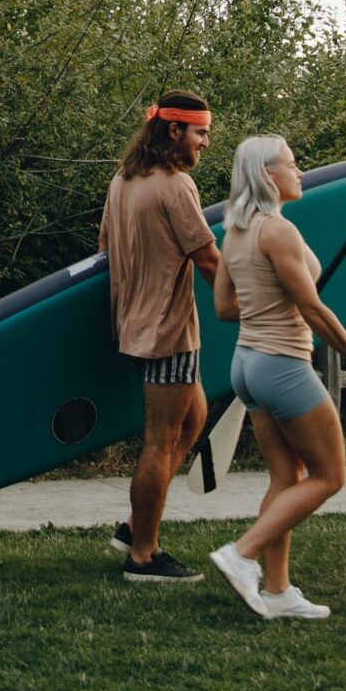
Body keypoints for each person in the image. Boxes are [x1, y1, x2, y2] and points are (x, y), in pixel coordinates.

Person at [205, 134, 346, 620]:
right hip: (281, 364)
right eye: (291, 164)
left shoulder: (235, 230)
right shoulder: (277, 232)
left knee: (287, 477)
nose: (299, 172)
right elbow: (312, 308)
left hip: (247, 365)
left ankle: (278, 592)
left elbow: (223, 307)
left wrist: (265, 300)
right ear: (267, 175)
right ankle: (241, 555)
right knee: (329, 477)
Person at [98, 90, 220, 582]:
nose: (205, 143)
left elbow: (104, 248)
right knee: (160, 441)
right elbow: (208, 257)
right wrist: (253, 304)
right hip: (168, 331)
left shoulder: (123, 181)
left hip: (131, 325)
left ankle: (134, 525)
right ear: (174, 131)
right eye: (201, 132)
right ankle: (143, 554)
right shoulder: (176, 186)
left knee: (195, 416)